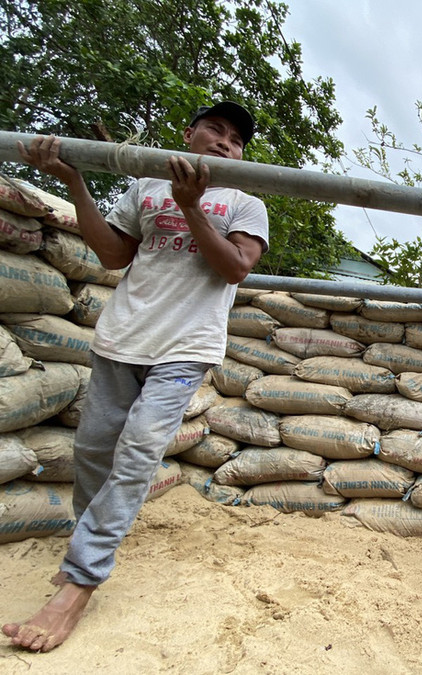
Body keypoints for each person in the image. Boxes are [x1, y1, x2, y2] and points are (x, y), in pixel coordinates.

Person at [3, 101, 269, 652]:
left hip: (185, 347)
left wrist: (192, 208)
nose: (224, 143)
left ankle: (78, 582)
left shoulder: (245, 201)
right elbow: (111, 254)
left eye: (236, 140)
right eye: (215, 130)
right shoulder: (145, 185)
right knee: (94, 452)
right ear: (189, 133)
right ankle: (88, 538)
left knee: (137, 455)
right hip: (121, 338)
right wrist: (75, 182)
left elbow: (235, 269)